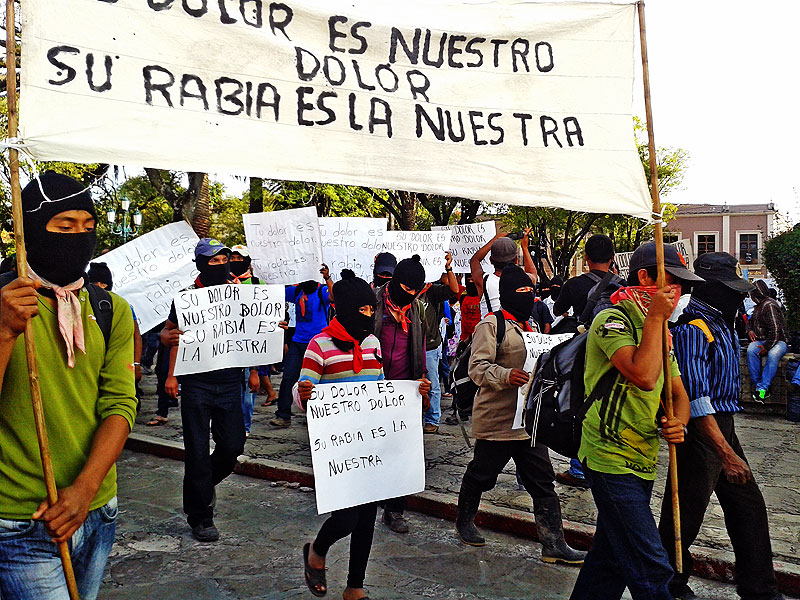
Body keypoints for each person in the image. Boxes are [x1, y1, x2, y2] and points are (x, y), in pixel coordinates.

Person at [0, 172, 137, 599]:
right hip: (22, 518)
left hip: (96, 509)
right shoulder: (5, 302)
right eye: (64, 226)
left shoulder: (110, 308)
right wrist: (5, 332)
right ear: (30, 230)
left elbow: (120, 404)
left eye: (88, 225)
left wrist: (85, 490)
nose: (79, 236)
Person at [569, 241, 696, 600]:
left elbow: (677, 394)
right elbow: (642, 375)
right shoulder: (611, 320)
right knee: (652, 567)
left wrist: (679, 423)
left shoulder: (661, 334)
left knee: (609, 558)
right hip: (608, 455)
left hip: (642, 458)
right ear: (645, 277)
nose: (678, 292)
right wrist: (655, 317)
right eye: (672, 281)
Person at [659, 253, 785, 600]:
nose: (739, 297)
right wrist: (725, 453)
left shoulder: (722, 324)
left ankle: (759, 588)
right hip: (701, 430)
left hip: (723, 424)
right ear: (711, 289)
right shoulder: (692, 327)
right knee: (683, 514)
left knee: (748, 508)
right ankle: (668, 584)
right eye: (731, 290)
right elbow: (696, 401)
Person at [455, 265, 586, 565]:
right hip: (498, 419)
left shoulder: (532, 325)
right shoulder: (491, 326)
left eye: (531, 290)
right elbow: (477, 368)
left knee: (542, 480)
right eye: (522, 291)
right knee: (481, 474)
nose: (529, 296)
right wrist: (505, 375)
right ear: (507, 295)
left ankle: (554, 543)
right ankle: (464, 521)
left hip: (528, 421)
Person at [296, 270, 384, 600]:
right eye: (362, 310)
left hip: (370, 440)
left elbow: (382, 385)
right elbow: (303, 385)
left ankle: (355, 587)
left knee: (368, 517)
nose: (369, 316)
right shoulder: (320, 345)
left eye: (371, 309)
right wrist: (302, 392)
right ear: (345, 309)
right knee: (348, 517)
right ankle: (317, 551)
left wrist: (413, 393)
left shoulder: (372, 343)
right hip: (335, 446)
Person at [161, 238, 245, 542]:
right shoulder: (186, 298)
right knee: (196, 452)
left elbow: (255, 326)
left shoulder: (243, 295)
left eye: (225, 260)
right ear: (200, 264)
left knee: (232, 447)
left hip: (230, 383)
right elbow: (168, 331)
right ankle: (201, 516)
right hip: (196, 384)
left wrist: (273, 329)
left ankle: (198, 488)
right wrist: (170, 367)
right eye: (214, 261)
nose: (221, 265)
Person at [552, 234, 622, 488]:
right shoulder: (621, 285)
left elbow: (557, 310)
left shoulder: (573, 284)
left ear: (587, 259)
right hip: (616, 352)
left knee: (580, 405)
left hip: (585, 352)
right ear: (613, 258)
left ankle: (578, 467)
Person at [373, 255, 431, 534]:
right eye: (405, 289)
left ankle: (395, 509)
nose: (409, 295)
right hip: (371, 387)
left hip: (404, 390)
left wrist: (422, 380)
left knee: (403, 452)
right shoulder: (372, 302)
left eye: (414, 291)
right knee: (372, 447)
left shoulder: (416, 310)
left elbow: (419, 347)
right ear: (394, 282)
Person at [270, 265, 334, 428]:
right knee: (288, 378)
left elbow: (334, 298)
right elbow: (274, 293)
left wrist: (328, 278)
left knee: (316, 382)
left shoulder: (322, 291)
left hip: (318, 345)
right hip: (297, 343)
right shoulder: (297, 291)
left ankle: (317, 415)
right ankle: (283, 415)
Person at [420, 253, 459, 433]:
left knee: (433, 384)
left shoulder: (432, 291)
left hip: (429, 345)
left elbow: (453, 290)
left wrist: (448, 268)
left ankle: (432, 419)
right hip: (407, 346)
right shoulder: (400, 290)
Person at [228, 245, 263, 436]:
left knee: (249, 392)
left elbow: (268, 313)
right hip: (229, 345)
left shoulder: (258, 283)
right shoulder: (222, 283)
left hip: (252, 344)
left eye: (239, 258)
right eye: (232, 257)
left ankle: (245, 427)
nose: (235, 261)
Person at [470, 227, 537, 319]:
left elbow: (474, 260)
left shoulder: (483, 281)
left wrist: (494, 240)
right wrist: (524, 248)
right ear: (516, 260)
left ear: (490, 260)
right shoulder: (524, 280)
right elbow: (533, 273)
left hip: (492, 330)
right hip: (517, 331)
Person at [746, 279, 788, 402]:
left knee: (773, 354)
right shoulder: (758, 306)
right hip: (762, 339)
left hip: (779, 340)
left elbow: (775, 330)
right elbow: (749, 322)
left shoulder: (769, 305)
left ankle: (763, 388)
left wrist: (767, 347)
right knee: (750, 350)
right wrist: (750, 331)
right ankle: (759, 385)